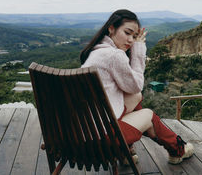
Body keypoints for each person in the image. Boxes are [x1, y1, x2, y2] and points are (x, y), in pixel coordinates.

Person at [80, 9, 194, 165]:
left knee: (136, 98)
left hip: (80, 134)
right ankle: (178, 149)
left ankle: (127, 152)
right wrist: (138, 50)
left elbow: (133, 93)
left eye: (134, 37)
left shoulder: (96, 52)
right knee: (148, 115)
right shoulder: (114, 55)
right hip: (100, 140)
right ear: (111, 28)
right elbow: (137, 85)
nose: (131, 40)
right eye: (127, 33)